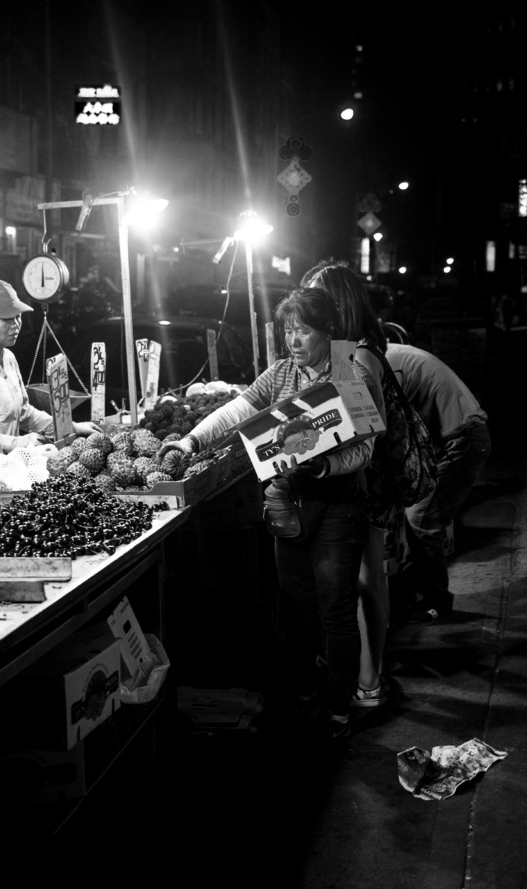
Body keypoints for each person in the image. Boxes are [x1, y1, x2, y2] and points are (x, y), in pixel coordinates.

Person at [159, 278, 387, 739]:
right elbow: (239, 409)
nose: (294, 341)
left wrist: (324, 467)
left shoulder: (348, 370)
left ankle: (338, 710)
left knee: (336, 609)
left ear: (327, 330)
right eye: (288, 331)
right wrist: (190, 440)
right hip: (286, 504)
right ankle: (305, 695)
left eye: (304, 331)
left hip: (337, 507)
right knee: (299, 608)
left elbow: (367, 450)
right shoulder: (281, 373)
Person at [301, 260, 394, 710]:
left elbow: (362, 429)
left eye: (317, 296)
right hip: (357, 477)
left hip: (366, 477)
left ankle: (369, 681)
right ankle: (364, 675)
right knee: (361, 580)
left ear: (337, 303)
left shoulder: (353, 354)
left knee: (365, 580)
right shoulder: (350, 348)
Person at [0, 279, 102, 490]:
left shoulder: (8, 358)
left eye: (18, 316)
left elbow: (24, 413)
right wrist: (15, 443)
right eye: (6, 318)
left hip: (1, 474)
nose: (15, 324)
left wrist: (73, 427)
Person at [385, 343, 492, 623]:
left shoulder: (384, 364)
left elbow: (392, 424)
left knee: (420, 519)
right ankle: (416, 596)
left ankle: (436, 602)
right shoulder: (390, 354)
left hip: (462, 441)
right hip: (459, 439)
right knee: (417, 517)